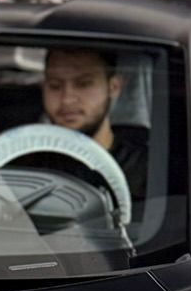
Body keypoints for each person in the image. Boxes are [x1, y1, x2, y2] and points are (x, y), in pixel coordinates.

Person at [40, 47, 149, 211]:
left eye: (83, 84)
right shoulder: (26, 164)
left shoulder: (148, 170)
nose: (67, 99)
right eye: (55, 86)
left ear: (114, 87)